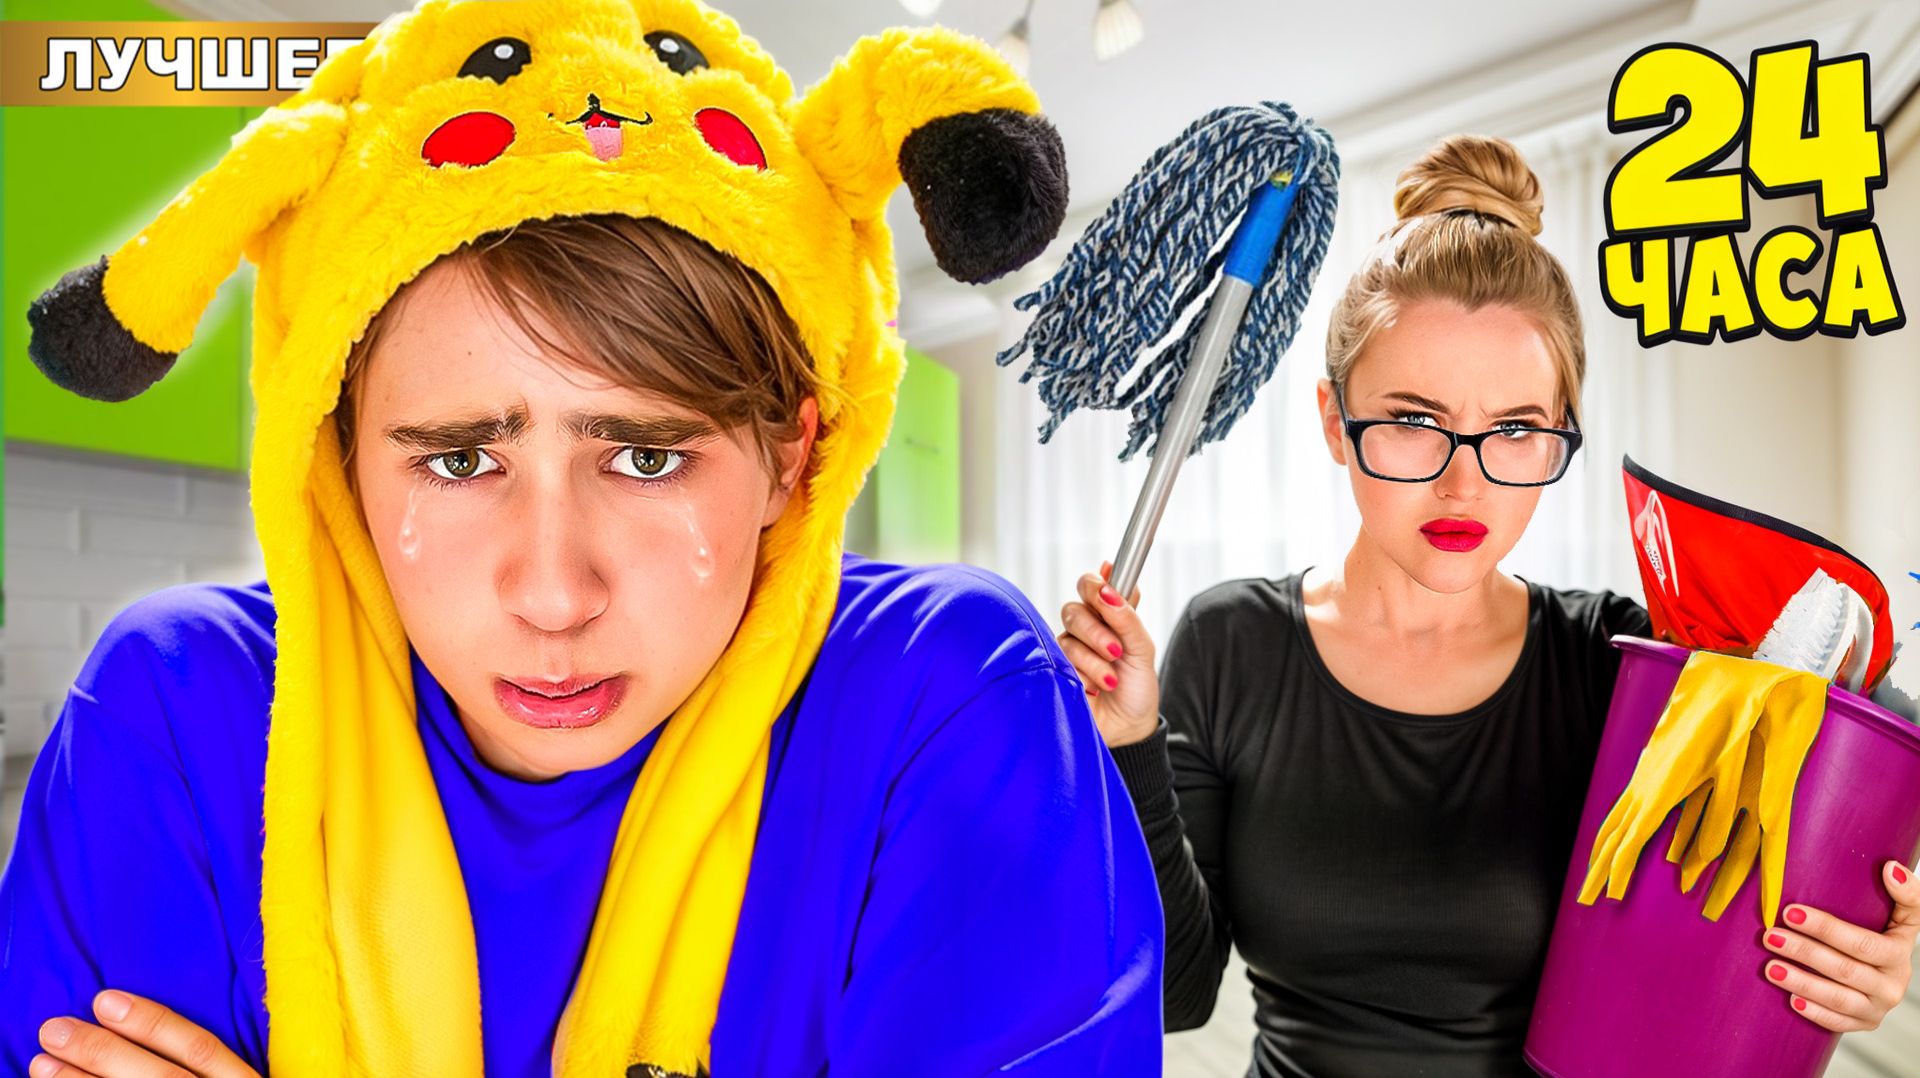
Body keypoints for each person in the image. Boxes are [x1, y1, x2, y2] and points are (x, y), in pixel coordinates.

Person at [2, 3, 1160, 1076]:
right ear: (340, 453)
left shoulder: (944, 695)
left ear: (792, 455)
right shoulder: (175, 711)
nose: (554, 594)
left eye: (647, 456)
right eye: (459, 460)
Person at [1056, 134, 1920, 1076]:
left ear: (1560, 431)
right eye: (1413, 421)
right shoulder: (1232, 641)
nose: (1463, 484)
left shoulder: (1621, 664)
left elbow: (1712, 953)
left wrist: (1856, 959)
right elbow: (1178, 993)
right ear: (1335, 422)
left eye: (1513, 429)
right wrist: (1127, 742)